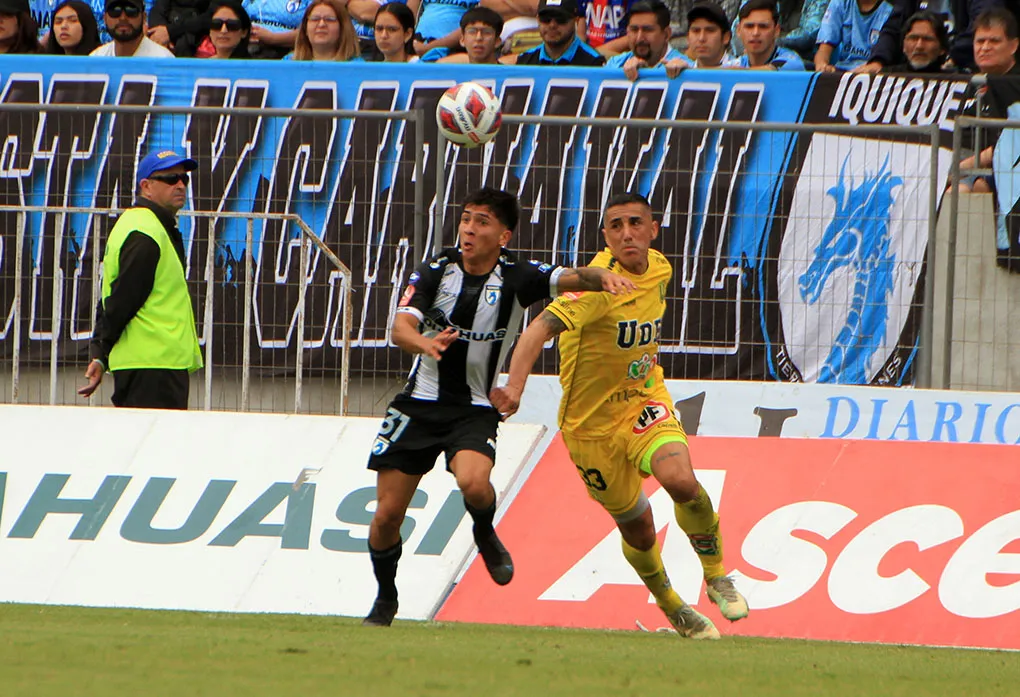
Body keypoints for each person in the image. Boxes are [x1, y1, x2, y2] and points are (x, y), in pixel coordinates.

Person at [362, 187, 637, 627]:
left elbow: (569, 278)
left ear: (503, 235)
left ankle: (484, 530)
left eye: (482, 222)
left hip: (473, 408)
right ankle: (386, 597)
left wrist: (602, 277)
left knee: (474, 483)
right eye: (466, 219)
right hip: (417, 406)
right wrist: (425, 343)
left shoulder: (517, 275)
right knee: (386, 516)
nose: (469, 229)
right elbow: (399, 327)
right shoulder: (436, 270)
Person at [491, 193, 749, 640]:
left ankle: (717, 575)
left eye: (635, 223)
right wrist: (514, 387)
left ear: (653, 229)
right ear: (606, 237)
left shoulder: (661, 269)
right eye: (616, 226)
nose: (627, 232)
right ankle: (672, 605)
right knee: (639, 526)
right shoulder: (593, 288)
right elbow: (536, 330)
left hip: (644, 401)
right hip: (590, 428)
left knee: (682, 481)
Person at [79, 150, 203, 410]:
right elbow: (122, 300)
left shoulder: (146, 225)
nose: (180, 184)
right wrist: (100, 351)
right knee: (156, 447)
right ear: (146, 187)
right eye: (170, 178)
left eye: (184, 178)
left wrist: (100, 353)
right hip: (153, 367)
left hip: (153, 364)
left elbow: (115, 297)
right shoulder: (145, 232)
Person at [854, 0, 1020, 74]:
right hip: (917, 67)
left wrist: (954, 57)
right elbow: (893, 27)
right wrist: (878, 61)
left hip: (962, 66)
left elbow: (983, 25)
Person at [605, 0, 692, 80]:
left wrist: (686, 76)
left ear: (666, 34)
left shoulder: (685, 68)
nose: (639, 38)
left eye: (647, 30)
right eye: (634, 30)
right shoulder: (615, 64)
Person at [514, 0, 604, 65]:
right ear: (537, 19)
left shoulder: (593, 62)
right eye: (546, 19)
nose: (552, 25)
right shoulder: (525, 60)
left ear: (576, 20)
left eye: (560, 19)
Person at [814, 0, 893, 72]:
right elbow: (823, 50)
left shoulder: (891, 10)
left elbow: (879, 63)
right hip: (840, 71)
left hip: (871, 74)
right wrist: (822, 65)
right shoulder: (840, 3)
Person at [735, 0, 804, 69]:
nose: (755, 33)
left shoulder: (792, 61)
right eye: (749, 26)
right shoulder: (737, 63)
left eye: (763, 27)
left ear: (776, 31)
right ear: (738, 30)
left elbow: (771, 70)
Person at [91, 0, 175, 55]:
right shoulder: (96, 58)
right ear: (105, 18)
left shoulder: (163, 59)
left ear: (144, 17)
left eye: (131, 11)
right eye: (115, 11)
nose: (123, 18)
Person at [879, 9, 949, 72]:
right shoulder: (885, 77)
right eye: (913, 38)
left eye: (927, 39)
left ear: (942, 49)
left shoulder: (955, 83)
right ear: (903, 45)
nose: (919, 46)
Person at [289, 0, 361, 60]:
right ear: (305, 29)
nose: (321, 24)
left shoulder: (359, 67)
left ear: (342, 28)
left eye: (329, 19)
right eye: (315, 19)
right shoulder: (288, 62)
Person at [437, 5, 502, 63]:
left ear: (497, 41)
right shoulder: (452, 74)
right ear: (462, 40)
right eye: (472, 32)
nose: (478, 38)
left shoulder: (509, 75)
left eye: (486, 32)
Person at [685, 1, 739, 68]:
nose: (701, 38)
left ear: (726, 37)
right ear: (688, 38)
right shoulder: (681, 72)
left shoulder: (743, 69)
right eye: (696, 31)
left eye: (710, 31)